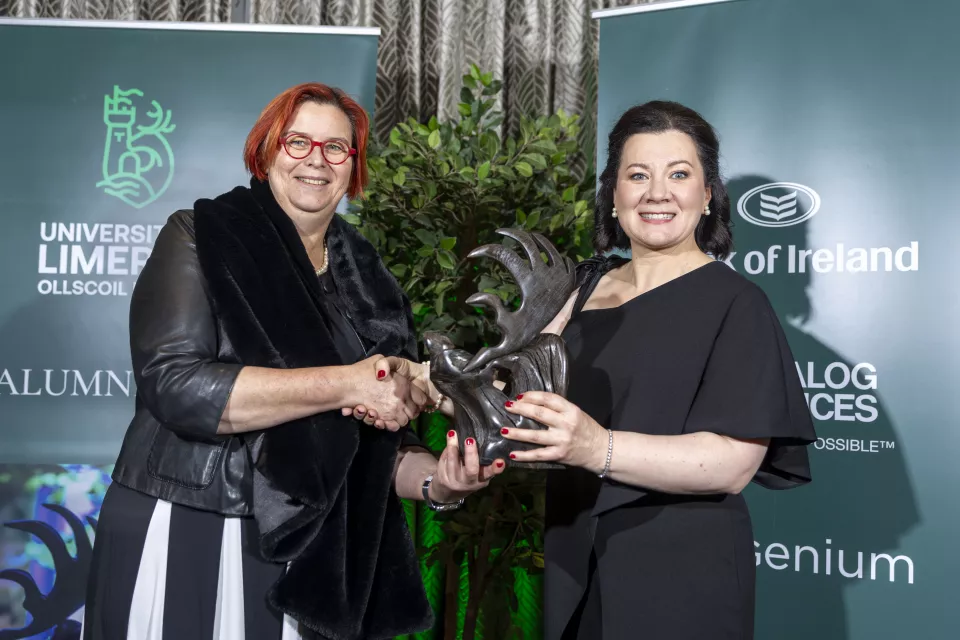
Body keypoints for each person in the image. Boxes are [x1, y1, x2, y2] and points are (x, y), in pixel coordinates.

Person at [359, 101, 816, 639]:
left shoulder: (738, 304)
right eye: (637, 175)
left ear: (708, 194)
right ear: (614, 195)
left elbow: (733, 463)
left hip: (684, 571)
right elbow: (516, 400)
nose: (657, 192)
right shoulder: (583, 289)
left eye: (679, 174)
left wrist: (595, 448)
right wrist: (431, 384)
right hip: (575, 551)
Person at [81, 82, 504, 640]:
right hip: (192, 519)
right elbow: (176, 385)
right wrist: (349, 383)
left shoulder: (368, 278)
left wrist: (439, 484)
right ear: (267, 150)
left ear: (352, 167)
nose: (316, 161)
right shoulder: (200, 236)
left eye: (336, 148)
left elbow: (379, 445)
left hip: (316, 548)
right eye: (297, 142)